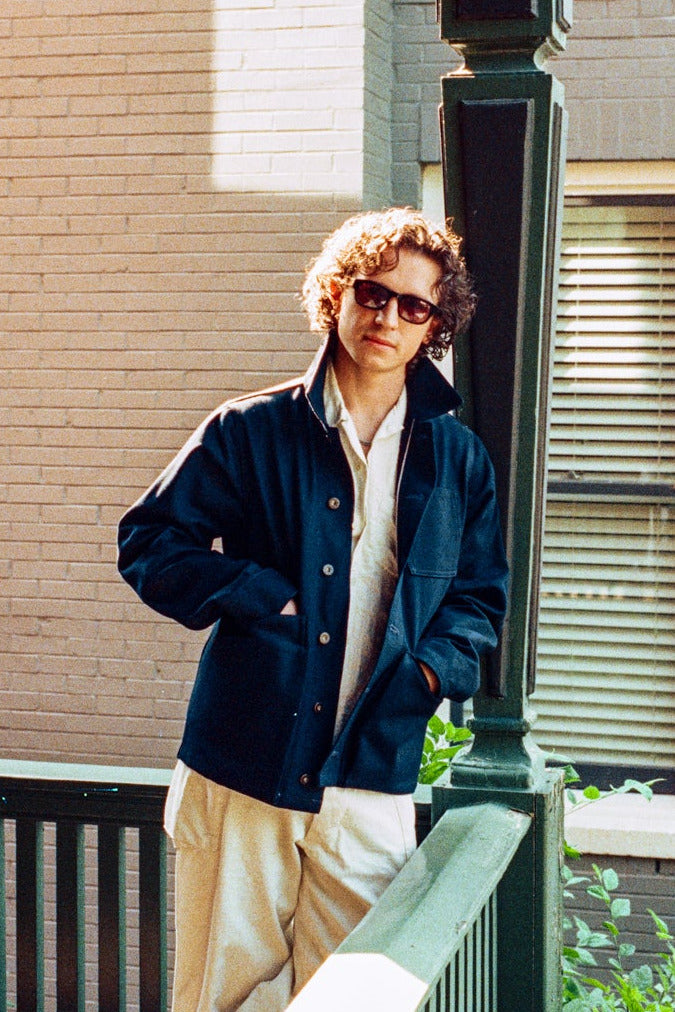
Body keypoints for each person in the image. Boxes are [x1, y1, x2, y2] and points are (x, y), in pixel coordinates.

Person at [117, 207, 509, 1011]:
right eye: (372, 293)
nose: (387, 317)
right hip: (243, 762)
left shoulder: (456, 458)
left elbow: (477, 598)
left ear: (434, 325)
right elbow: (150, 542)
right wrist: (263, 595)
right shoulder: (248, 430)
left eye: (413, 305)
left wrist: (429, 672)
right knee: (220, 996)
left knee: (360, 996)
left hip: (371, 771)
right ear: (337, 294)